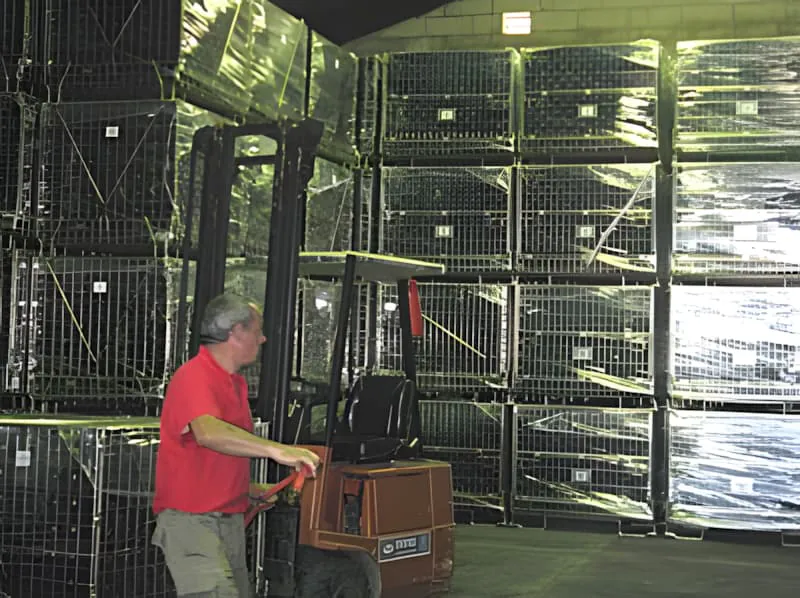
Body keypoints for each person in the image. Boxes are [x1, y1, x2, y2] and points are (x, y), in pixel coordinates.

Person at [152, 293, 320, 598]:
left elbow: (216, 453)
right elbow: (208, 432)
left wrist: (248, 488)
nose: (263, 338)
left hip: (227, 521)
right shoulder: (193, 376)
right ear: (236, 333)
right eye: (257, 331)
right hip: (192, 521)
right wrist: (277, 449)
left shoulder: (234, 384)